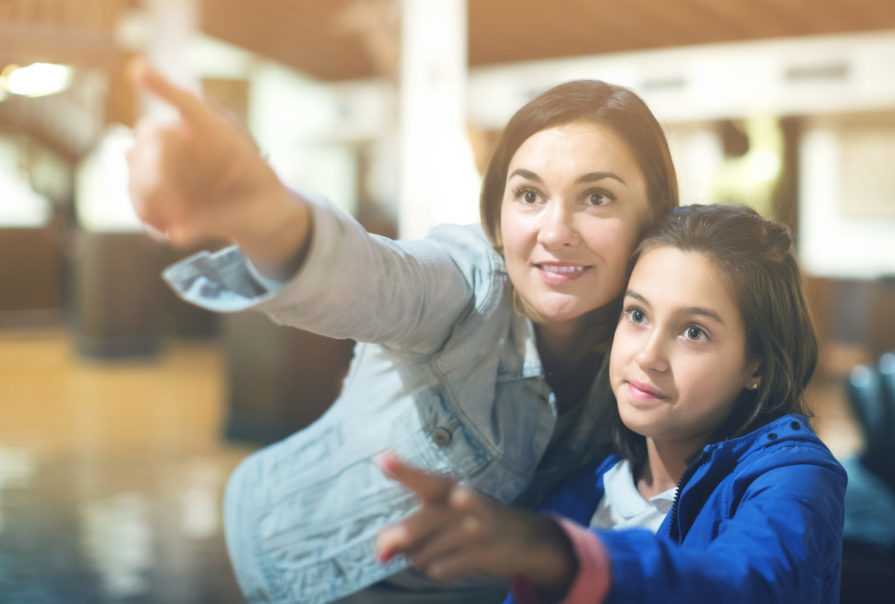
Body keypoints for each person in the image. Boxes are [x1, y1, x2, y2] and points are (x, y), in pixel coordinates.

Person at [125, 61, 678, 604]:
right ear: (498, 209)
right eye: (529, 195)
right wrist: (264, 215)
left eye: (597, 198)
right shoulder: (466, 287)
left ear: (652, 220)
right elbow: (372, 277)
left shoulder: (653, 347)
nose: (555, 232)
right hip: (303, 574)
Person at [376, 204, 848, 603]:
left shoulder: (794, 479)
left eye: (694, 332)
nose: (647, 356)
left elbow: (746, 583)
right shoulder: (587, 486)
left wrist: (556, 552)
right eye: (637, 315)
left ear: (757, 366)